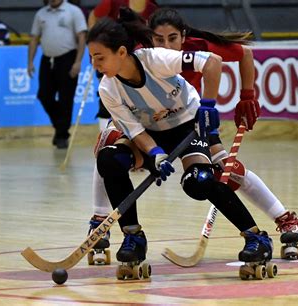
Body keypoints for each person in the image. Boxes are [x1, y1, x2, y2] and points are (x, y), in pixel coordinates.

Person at [87, 8, 273, 273]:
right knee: (109, 159)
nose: (95, 65)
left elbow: (212, 62)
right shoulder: (108, 88)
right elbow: (136, 132)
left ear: (120, 52)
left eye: (99, 57)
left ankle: (256, 237)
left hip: (187, 125)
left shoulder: (155, 59)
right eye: (92, 58)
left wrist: (207, 107)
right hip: (151, 134)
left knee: (200, 181)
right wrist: (156, 154)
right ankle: (133, 237)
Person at [148, 8, 298, 258]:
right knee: (112, 155)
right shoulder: (143, 56)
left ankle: (285, 218)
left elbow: (245, 53)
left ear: (183, 37)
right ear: (150, 38)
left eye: (173, 38)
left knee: (228, 170)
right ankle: (102, 225)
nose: (166, 46)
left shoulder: (197, 48)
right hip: (153, 127)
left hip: (191, 122)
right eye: (159, 39)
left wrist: (247, 96)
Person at [88, 0, 159, 131]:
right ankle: (107, 134)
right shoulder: (114, 1)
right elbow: (94, 15)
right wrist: (95, 46)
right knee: (109, 94)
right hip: (110, 57)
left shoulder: (152, 7)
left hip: (137, 60)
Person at [28, 0, 88, 149]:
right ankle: (61, 128)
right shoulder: (41, 14)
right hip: (47, 59)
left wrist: (78, 61)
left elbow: (82, 37)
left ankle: (61, 136)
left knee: (65, 99)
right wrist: (30, 62)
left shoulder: (73, 11)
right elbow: (34, 38)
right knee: (44, 95)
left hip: (67, 58)